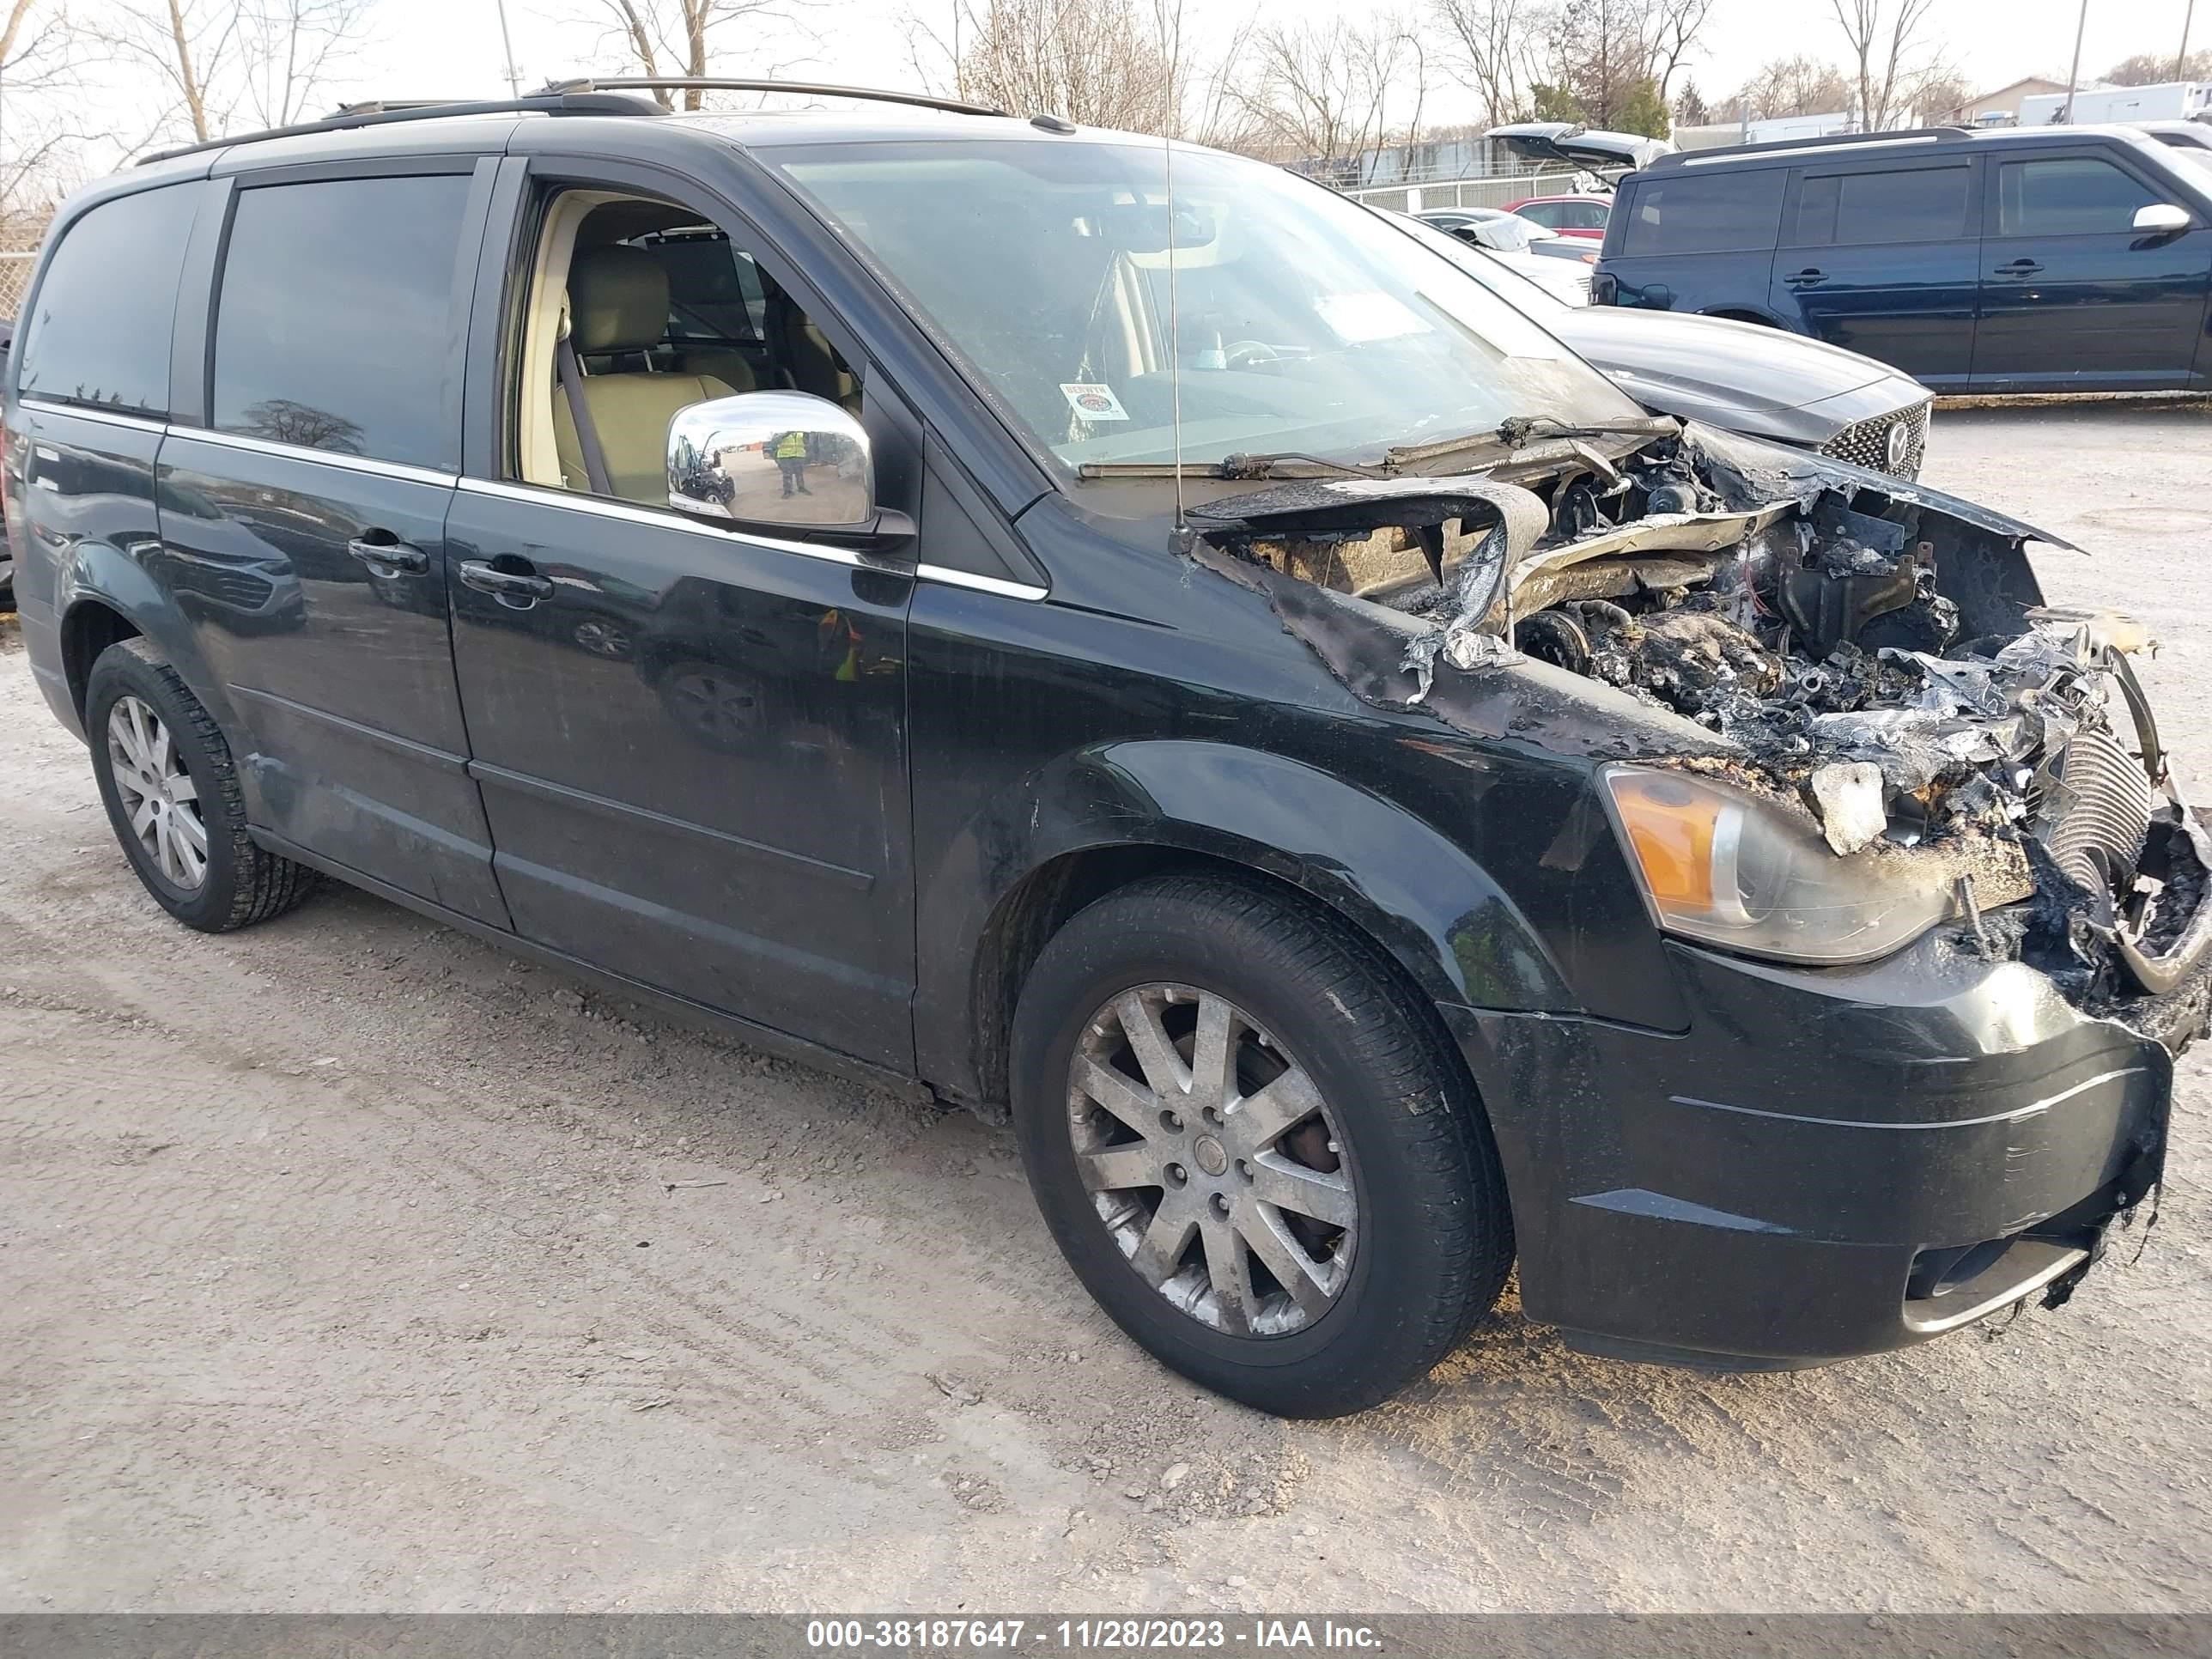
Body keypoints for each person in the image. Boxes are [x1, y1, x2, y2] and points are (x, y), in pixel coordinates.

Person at [774, 428, 811, 497]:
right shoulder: (780, 430)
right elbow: (775, 441)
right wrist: (786, 434)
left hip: (799, 455)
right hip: (785, 456)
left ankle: (801, 488)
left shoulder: (801, 431)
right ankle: (788, 491)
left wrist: (807, 435)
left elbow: (806, 442)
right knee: (787, 474)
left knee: (799, 473)